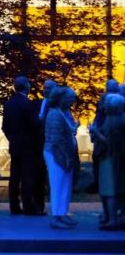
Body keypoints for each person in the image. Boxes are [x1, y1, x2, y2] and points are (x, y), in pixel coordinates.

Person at [2, 76, 44, 216]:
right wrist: (41, 119)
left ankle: (14, 206)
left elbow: (4, 127)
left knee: (14, 176)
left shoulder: (8, 104)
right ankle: (28, 206)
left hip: (14, 145)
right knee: (27, 176)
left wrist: (12, 139)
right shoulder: (27, 104)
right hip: (28, 145)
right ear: (26, 86)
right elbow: (34, 124)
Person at [43, 86, 80, 229]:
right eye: (70, 98)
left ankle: (63, 213)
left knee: (66, 184)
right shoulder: (54, 115)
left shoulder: (64, 112)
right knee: (58, 184)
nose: (72, 101)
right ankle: (56, 216)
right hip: (56, 154)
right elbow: (56, 141)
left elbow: (67, 133)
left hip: (65, 153)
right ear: (61, 99)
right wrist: (66, 157)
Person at [96, 93, 125, 230]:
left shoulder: (114, 121)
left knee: (110, 190)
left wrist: (96, 132)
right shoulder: (118, 118)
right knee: (118, 189)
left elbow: (110, 142)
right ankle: (118, 218)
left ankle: (112, 220)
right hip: (117, 159)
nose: (104, 106)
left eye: (106, 104)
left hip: (110, 159)